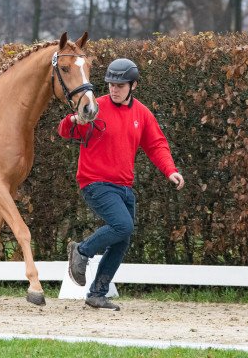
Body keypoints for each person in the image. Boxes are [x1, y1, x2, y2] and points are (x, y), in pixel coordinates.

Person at [58, 58, 184, 310]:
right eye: (110, 84)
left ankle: (97, 294)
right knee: (122, 225)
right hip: (95, 182)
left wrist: (170, 170)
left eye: (120, 85)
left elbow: (156, 144)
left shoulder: (142, 114)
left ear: (133, 85)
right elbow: (65, 131)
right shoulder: (96, 107)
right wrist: (72, 121)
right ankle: (82, 251)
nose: (114, 89)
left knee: (122, 238)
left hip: (123, 187)